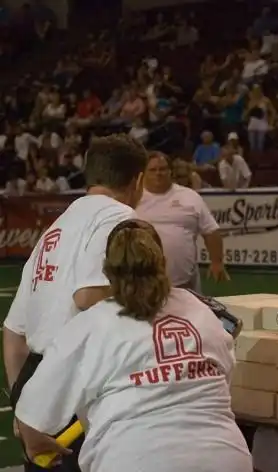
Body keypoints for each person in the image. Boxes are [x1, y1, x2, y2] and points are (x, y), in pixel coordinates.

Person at [13, 219, 253, 472]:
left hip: (133, 458)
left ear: (106, 272)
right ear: (163, 263)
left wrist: (34, 443)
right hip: (225, 456)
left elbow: (31, 415)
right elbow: (224, 374)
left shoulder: (88, 325)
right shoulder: (200, 309)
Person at [3, 134, 147, 472]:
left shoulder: (53, 230)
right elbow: (88, 295)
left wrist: (24, 405)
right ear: (138, 180)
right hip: (84, 381)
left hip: (38, 379)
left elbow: (13, 334)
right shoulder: (119, 217)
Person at [136, 151, 229, 291]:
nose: (158, 173)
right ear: (144, 173)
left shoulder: (190, 196)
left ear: (170, 171)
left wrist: (217, 262)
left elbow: (211, 231)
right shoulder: (134, 197)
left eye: (163, 169)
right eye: (153, 170)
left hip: (185, 283)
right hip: (143, 282)